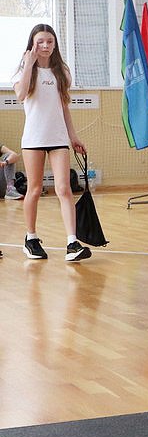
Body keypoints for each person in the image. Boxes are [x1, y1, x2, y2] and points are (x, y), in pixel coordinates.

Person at [11, 24, 90, 262]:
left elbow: (64, 107)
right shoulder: (24, 72)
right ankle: (31, 238)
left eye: (50, 42)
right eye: (40, 42)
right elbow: (21, 95)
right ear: (32, 44)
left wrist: (73, 136)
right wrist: (28, 64)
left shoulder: (62, 72)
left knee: (64, 189)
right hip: (33, 139)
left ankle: (72, 243)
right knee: (34, 189)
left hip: (58, 139)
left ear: (55, 44)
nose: (45, 46)